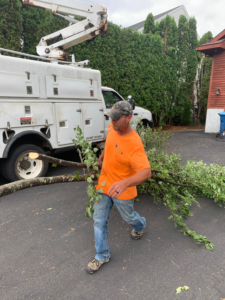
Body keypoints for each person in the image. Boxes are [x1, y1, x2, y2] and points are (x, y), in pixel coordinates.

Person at [86, 101, 151, 274]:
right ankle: (102, 255)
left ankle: (140, 225)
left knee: (129, 218)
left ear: (128, 118)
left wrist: (125, 183)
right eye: (111, 118)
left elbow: (146, 172)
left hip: (122, 190)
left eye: (116, 118)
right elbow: (109, 147)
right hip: (104, 185)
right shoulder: (111, 128)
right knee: (98, 221)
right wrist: (98, 162)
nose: (112, 121)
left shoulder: (134, 143)